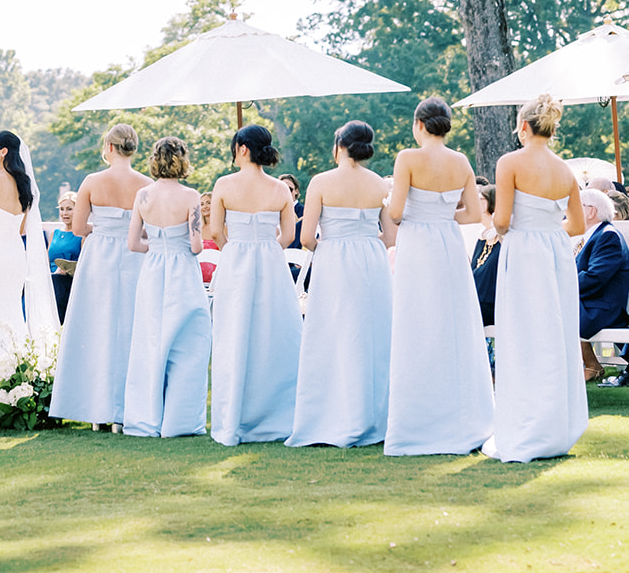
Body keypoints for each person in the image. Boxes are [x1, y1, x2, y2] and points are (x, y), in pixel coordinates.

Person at [383, 96, 493, 456]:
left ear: (418, 125)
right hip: (446, 244)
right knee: (453, 324)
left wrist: (394, 205)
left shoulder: (408, 159)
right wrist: (442, 215)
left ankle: (419, 417)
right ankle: (463, 415)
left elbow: (396, 212)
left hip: (417, 243)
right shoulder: (460, 160)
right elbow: (474, 214)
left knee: (417, 323)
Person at [485, 93, 587, 463]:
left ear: (523, 126)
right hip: (556, 254)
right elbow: (577, 224)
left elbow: (501, 221)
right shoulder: (566, 171)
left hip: (525, 252)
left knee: (524, 334)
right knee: (554, 334)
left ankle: (527, 425)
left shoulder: (510, 161)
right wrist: (548, 226)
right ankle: (555, 427)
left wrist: (522, 228)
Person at [286, 120, 394, 449]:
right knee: (370, 337)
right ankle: (373, 416)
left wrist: (333, 246)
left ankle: (330, 416)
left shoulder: (321, 181)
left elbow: (306, 237)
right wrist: (362, 241)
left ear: (339, 145)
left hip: (334, 261)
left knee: (331, 335)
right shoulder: (379, 184)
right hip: (372, 262)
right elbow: (390, 237)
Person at [50, 121, 151, 430]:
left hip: (100, 258)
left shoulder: (92, 181)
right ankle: (127, 410)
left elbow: (78, 228)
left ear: (108, 148)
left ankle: (97, 412)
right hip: (134, 256)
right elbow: (147, 228)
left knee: (97, 328)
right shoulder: (146, 185)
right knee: (130, 329)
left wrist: (104, 227)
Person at [208, 123, 301, 447]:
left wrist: (235, 250)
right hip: (271, 261)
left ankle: (235, 416)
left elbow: (216, 231)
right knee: (271, 336)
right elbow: (288, 236)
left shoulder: (224, 184)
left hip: (235, 260)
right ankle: (276, 416)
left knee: (234, 335)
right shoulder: (280, 189)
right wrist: (265, 247)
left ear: (243, 148)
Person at [122, 136, 211, 439]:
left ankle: (146, 419)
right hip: (182, 270)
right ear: (182, 160)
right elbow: (198, 246)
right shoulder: (190, 196)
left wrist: (159, 246)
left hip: (153, 270)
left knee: (150, 341)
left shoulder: (143, 195)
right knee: (187, 343)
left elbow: (133, 243)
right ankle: (181, 421)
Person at [0, 129, 57, 357]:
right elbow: (21, 228)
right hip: (15, 253)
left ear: (3, 151)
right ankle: (15, 360)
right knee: (11, 309)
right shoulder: (25, 183)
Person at [577, 187, 629, 381]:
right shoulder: (593, 235)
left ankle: (590, 365)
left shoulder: (608, 236)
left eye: (576, 207)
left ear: (591, 211)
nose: (570, 212)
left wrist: (562, 287)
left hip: (603, 307)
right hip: (590, 301)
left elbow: (595, 278)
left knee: (552, 310)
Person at [46, 190, 82, 322]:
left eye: (69, 209)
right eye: (61, 209)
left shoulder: (81, 235)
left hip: (68, 280)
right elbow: (45, 260)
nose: (64, 213)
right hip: (49, 278)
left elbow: (84, 263)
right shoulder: (54, 234)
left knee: (57, 283)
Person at [471, 184, 500, 330]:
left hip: (491, 307)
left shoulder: (502, 238)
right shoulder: (482, 238)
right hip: (475, 303)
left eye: (480, 198)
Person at [198, 193, 221, 286]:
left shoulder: (224, 228)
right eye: (202, 204)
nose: (205, 206)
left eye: (208, 203)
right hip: (199, 277)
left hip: (217, 278)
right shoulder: (198, 229)